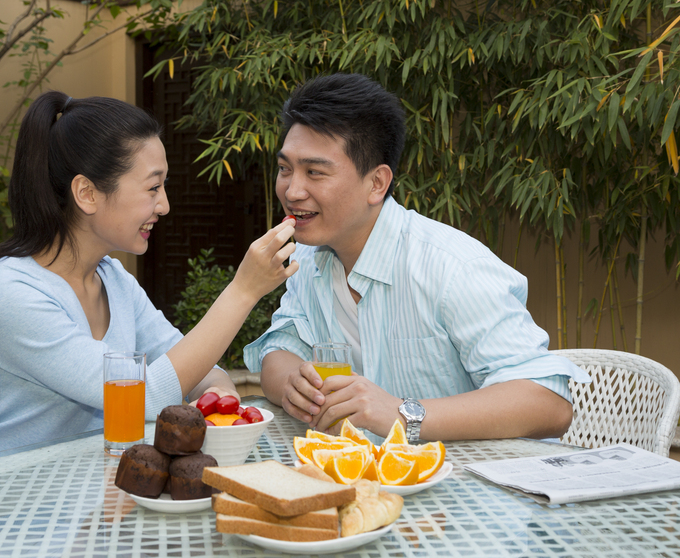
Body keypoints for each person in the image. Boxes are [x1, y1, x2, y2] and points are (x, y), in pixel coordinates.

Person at [0, 91, 296, 465]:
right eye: (153, 187)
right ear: (87, 193)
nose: (164, 205)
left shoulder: (113, 278)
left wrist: (216, 395)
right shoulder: (9, 293)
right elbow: (143, 398)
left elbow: (196, 368)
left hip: (76, 492)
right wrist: (244, 291)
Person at [245, 74, 590, 442]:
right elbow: (278, 349)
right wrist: (293, 384)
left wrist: (400, 413)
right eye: (285, 169)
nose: (292, 190)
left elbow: (548, 403)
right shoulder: (311, 260)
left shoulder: (453, 267)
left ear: (376, 183)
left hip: (472, 485)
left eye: (314, 172)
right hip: (372, 484)